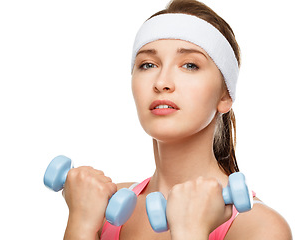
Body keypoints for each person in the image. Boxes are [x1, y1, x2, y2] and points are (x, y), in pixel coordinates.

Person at [63, 0, 292, 239]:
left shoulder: (260, 228)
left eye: (190, 65)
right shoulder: (101, 207)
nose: (161, 82)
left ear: (225, 95)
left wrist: (190, 231)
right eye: (148, 64)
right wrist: (81, 224)